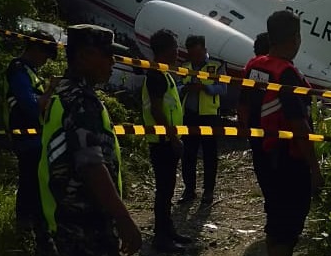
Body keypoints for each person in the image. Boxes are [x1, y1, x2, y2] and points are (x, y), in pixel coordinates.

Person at [38, 24, 142, 256]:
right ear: (85, 55)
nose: (112, 62)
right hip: (86, 226)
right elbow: (91, 165)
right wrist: (124, 219)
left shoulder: (62, 93)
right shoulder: (81, 102)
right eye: (107, 55)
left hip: (66, 220)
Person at [237, 11, 323, 256]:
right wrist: (314, 169)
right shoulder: (286, 75)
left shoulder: (253, 66)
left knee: (275, 219)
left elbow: (242, 109)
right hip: (289, 162)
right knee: (289, 227)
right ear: (295, 38)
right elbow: (300, 126)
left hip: (263, 156)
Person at [3, 30, 59, 254]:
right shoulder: (18, 71)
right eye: (45, 56)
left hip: (36, 137)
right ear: (35, 49)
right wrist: (51, 89)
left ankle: (31, 229)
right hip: (26, 138)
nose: (45, 62)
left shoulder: (30, 72)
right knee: (32, 184)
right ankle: (33, 233)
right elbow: (32, 105)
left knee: (33, 183)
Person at [142, 29, 193, 252]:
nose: (177, 52)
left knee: (168, 188)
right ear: (164, 50)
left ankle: (168, 229)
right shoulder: (155, 75)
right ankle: (161, 237)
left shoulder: (163, 74)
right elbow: (156, 110)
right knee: (164, 190)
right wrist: (173, 138)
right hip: (162, 141)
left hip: (166, 140)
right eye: (174, 47)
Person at [177, 35, 227, 205]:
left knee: (210, 154)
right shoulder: (184, 66)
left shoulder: (216, 65)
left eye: (198, 53)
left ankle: (208, 191)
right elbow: (175, 86)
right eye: (192, 54)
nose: (195, 58)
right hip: (189, 115)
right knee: (188, 154)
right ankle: (189, 189)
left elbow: (223, 88)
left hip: (210, 116)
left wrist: (205, 88)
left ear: (205, 50)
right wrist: (185, 88)